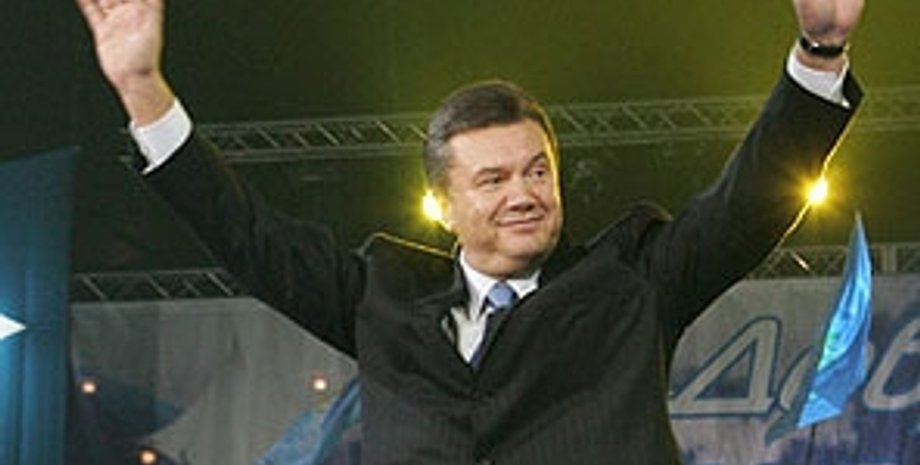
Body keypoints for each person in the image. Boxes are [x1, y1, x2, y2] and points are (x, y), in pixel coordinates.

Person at [75, 0, 865, 463]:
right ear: (443, 203)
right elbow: (243, 232)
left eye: (537, 170)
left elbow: (749, 202)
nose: (523, 194)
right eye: (492, 180)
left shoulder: (632, 281)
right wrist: (143, 87)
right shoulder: (382, 296)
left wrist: (820, 49)